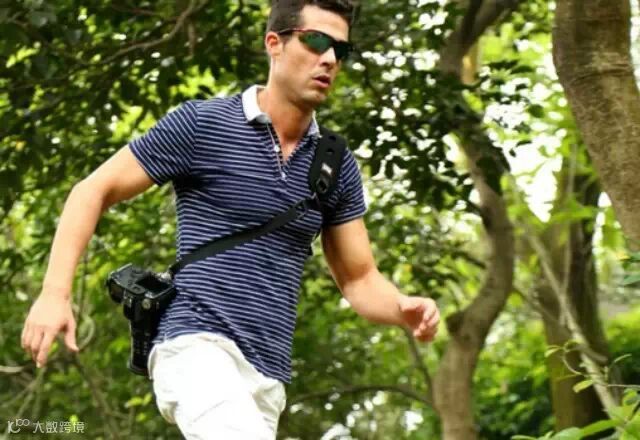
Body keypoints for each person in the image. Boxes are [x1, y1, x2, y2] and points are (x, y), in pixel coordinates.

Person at [20, 0, 440, 438]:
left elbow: (359, 278)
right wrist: (54, 294)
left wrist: (401, 307)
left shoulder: (334, 164)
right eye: (316, 41)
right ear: (274, 44)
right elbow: (92, 191)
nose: (330, 58)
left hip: (267, 377)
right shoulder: (202, 125)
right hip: (194, 345)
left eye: (341, 49)